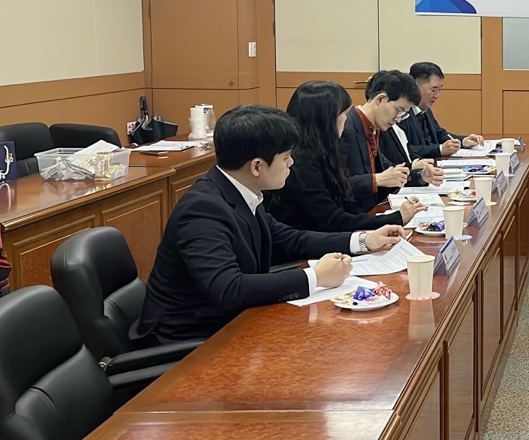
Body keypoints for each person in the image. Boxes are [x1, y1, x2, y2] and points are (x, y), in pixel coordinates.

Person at [136, 104, 406, 343]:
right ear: (256, 166)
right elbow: (227, 288)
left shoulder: (238, 190)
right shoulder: (202, 209)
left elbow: (290, 239)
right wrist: (315, 277)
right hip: (190, 338)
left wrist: (363, 240)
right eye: (286, 156)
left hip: (232, 321)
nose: (292, 162)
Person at [268, 81, 427, 232]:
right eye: (342, 113)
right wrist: (395, 218)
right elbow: (333, 220)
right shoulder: (301, 159)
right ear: (325, 119)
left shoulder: (323, 148)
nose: (346, 117)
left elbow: (345, 190)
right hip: (311, 245)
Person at [341, 70, 443, 207]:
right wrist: (377, 180)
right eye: (399, 110)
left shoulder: (373, 127)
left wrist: (420, 176)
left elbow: (388, 171)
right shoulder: (346, 129)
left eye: (403, 114)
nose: (398, 119)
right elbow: (336, 185)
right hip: (357, 216)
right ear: (381, 99)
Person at [405, 61, 484, 159]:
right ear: (415, 86)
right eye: (433, 90)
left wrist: (463, 141)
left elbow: (439, 134)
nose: (437, 95)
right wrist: (440, 149)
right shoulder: (401, 114)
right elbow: (404, 150)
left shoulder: (425, 109)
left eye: (439, 90)